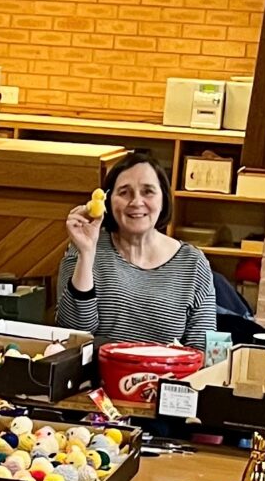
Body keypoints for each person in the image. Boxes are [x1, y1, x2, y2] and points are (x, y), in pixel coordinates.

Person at [56, 149, 216, 348]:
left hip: (167, 377)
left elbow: (202, 350)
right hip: (94, 375)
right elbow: (73, 334)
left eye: (148, 191)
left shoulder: (193, 263)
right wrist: (87, 253)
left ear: (163, 198)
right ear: (107, 201)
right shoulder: (82, 248)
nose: (136, 202)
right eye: (124, 192)